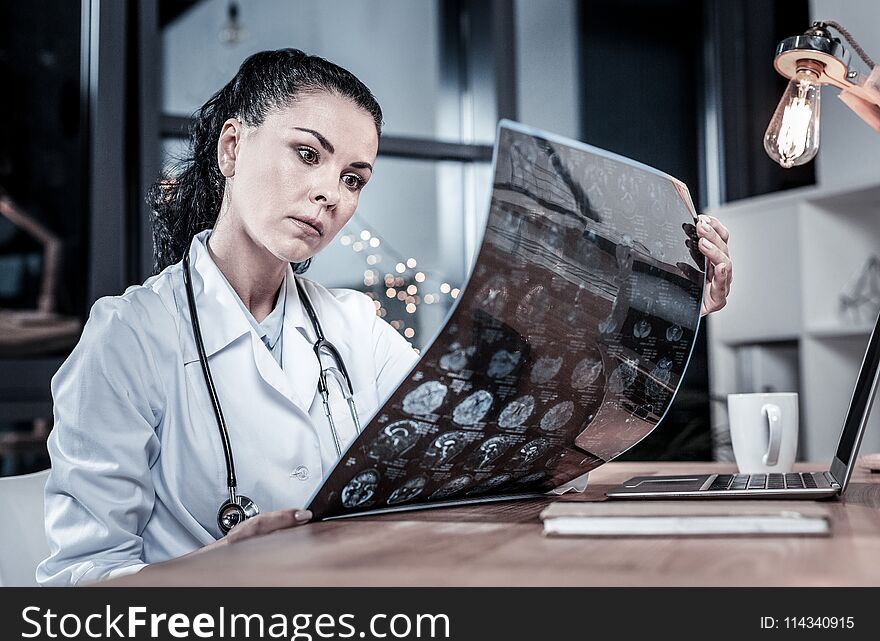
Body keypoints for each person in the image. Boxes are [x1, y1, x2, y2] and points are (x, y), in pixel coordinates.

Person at [36, 49, 733, 586]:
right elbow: (76, 589)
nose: (329, 195)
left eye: (353, 178)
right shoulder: (129, 335)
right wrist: (205, 576)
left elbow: (489, 456)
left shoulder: (354, 327)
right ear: (231, 147)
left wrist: (664, 310)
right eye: (307, 154)